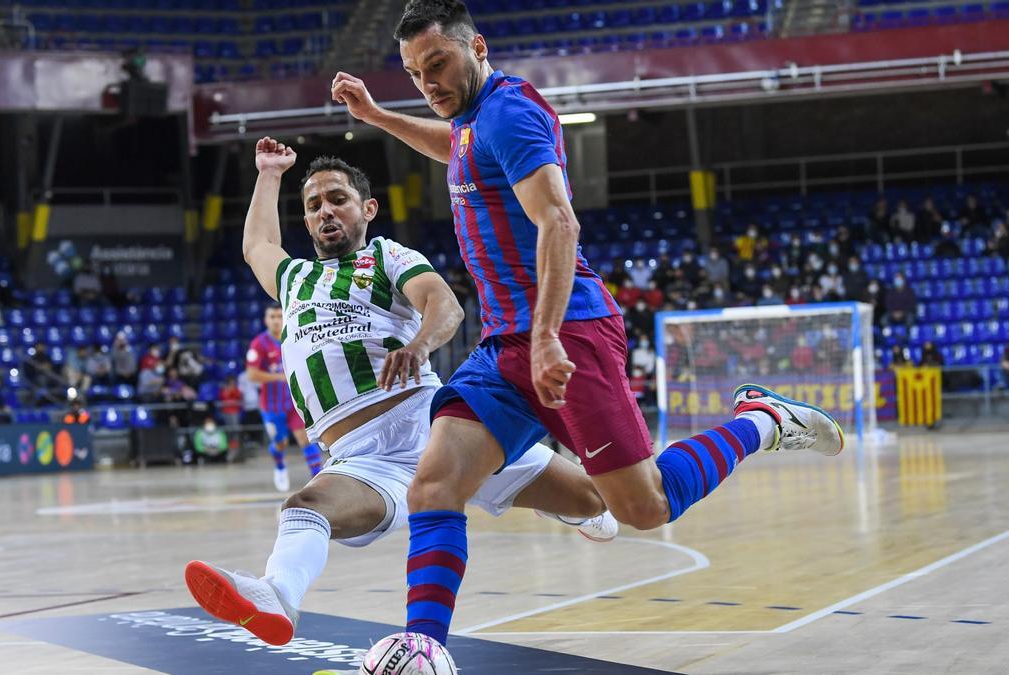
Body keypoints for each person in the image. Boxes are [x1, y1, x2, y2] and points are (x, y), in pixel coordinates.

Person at [331, 0, 844, 650]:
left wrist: (545, 334)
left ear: (477, 46)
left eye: (438, 63)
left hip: (567, 331)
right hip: (504, 346)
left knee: (645, 506)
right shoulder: (469, 121)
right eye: (415, 72)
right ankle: (423, 647)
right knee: (435, 482)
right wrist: (376, 115)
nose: (428, 82)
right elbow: (455, 149)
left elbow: (559, 222)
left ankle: (762, 421)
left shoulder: (510, 112)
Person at [184, 138, 616, 650]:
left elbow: (445, 306)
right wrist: (269, 174)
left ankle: (590, 497)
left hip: (438, 429)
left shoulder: (386, 256)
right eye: (314, 205)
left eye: (337, 199)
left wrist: (418, 344)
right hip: (361, 459)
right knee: (304, 506)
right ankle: (277, 594)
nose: (326, 211)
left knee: (598, 497)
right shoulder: (295, 278)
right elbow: (257, 245)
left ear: (367, 208)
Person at [246, 304, 323, 490]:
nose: (275, 320)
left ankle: (319, 481)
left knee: (305, 439)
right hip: (272, 405)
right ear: (266, 320)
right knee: (281, 443)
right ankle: (280, 466)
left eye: (279, 316)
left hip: (295, 400)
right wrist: (280, 377)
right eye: (272, 316)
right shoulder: (259, 344)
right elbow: (252, 375)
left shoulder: (296, 336)